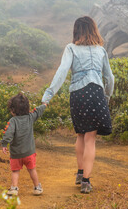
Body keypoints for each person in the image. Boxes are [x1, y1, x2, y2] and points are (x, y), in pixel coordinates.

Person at [42, 16, 114, 194]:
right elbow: (110, 78)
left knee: (80, 134)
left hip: (78, 95)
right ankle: (86, 182)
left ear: (77, 31)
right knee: (91, 138)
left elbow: (62, 71)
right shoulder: (101, 51)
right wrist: (107, 96)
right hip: (96, 93)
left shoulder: (71, 48)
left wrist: (48, 94)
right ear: (94, 30)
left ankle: (80, 173)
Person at [1, 92, 47, 196]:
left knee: (15, 171)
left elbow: (8, 133)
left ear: (13, 110)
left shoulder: (13, 121)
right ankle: (37, 187)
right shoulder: (30, 117)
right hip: (29, 153)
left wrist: (4, 144)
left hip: (16, 154)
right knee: (32, 170)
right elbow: (38, 111)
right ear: (27, 108)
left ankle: (14, 188)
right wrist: (44, 105)